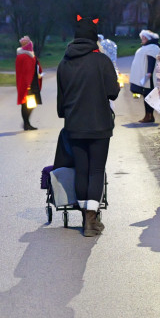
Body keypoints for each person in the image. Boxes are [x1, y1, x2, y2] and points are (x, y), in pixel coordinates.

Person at [57, 14, 121, 237]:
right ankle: (91, 221)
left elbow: (61, 101)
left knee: (82, 170)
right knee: (96, 170)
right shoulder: (101, 61)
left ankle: (86, 216)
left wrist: (66, 113)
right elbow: (113, 91)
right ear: (94, 38)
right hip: (99, 125)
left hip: (74, 125)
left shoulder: (64, 62)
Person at [129, 29, 160, 123]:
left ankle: (149, 116)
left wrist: (149, 73)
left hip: (149, 77)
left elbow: (151, 60)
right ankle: (149, 116)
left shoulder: (152, 47)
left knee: (148, 96)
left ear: (149, 38)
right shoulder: (147, 47)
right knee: (147, 96)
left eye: (144, 37)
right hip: (146, 77)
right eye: (142, 37)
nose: (142, 39)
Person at [15, 36, 43, 131]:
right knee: (28, 104)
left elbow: (34, 67)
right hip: (28, 83)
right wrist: (28, 85)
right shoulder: (24, 56)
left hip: (31, 81)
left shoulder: (29, 55)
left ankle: (26, 123)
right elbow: (25, 71)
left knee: (30, 103)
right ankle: (26, 123)